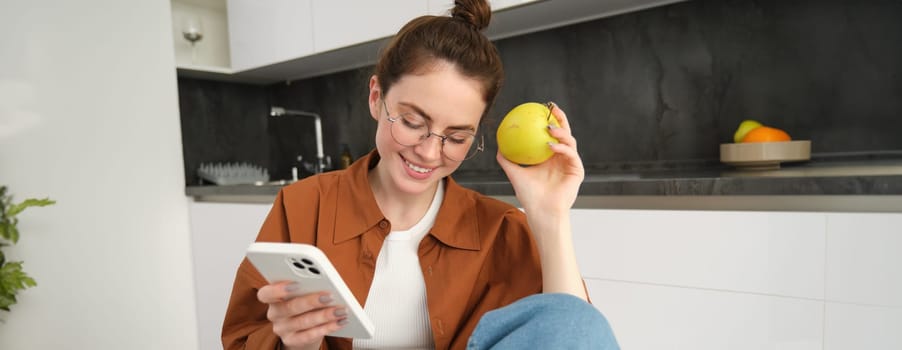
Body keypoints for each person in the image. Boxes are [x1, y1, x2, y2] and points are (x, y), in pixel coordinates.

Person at [221, 0, 619, 349]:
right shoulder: (303, 206)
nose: (429, 152)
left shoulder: (502, 231)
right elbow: (241, 339)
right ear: (377, 97)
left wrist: (550, 217)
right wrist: (296, 346)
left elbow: (572, 336)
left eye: (457, 136)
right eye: (412, 122)